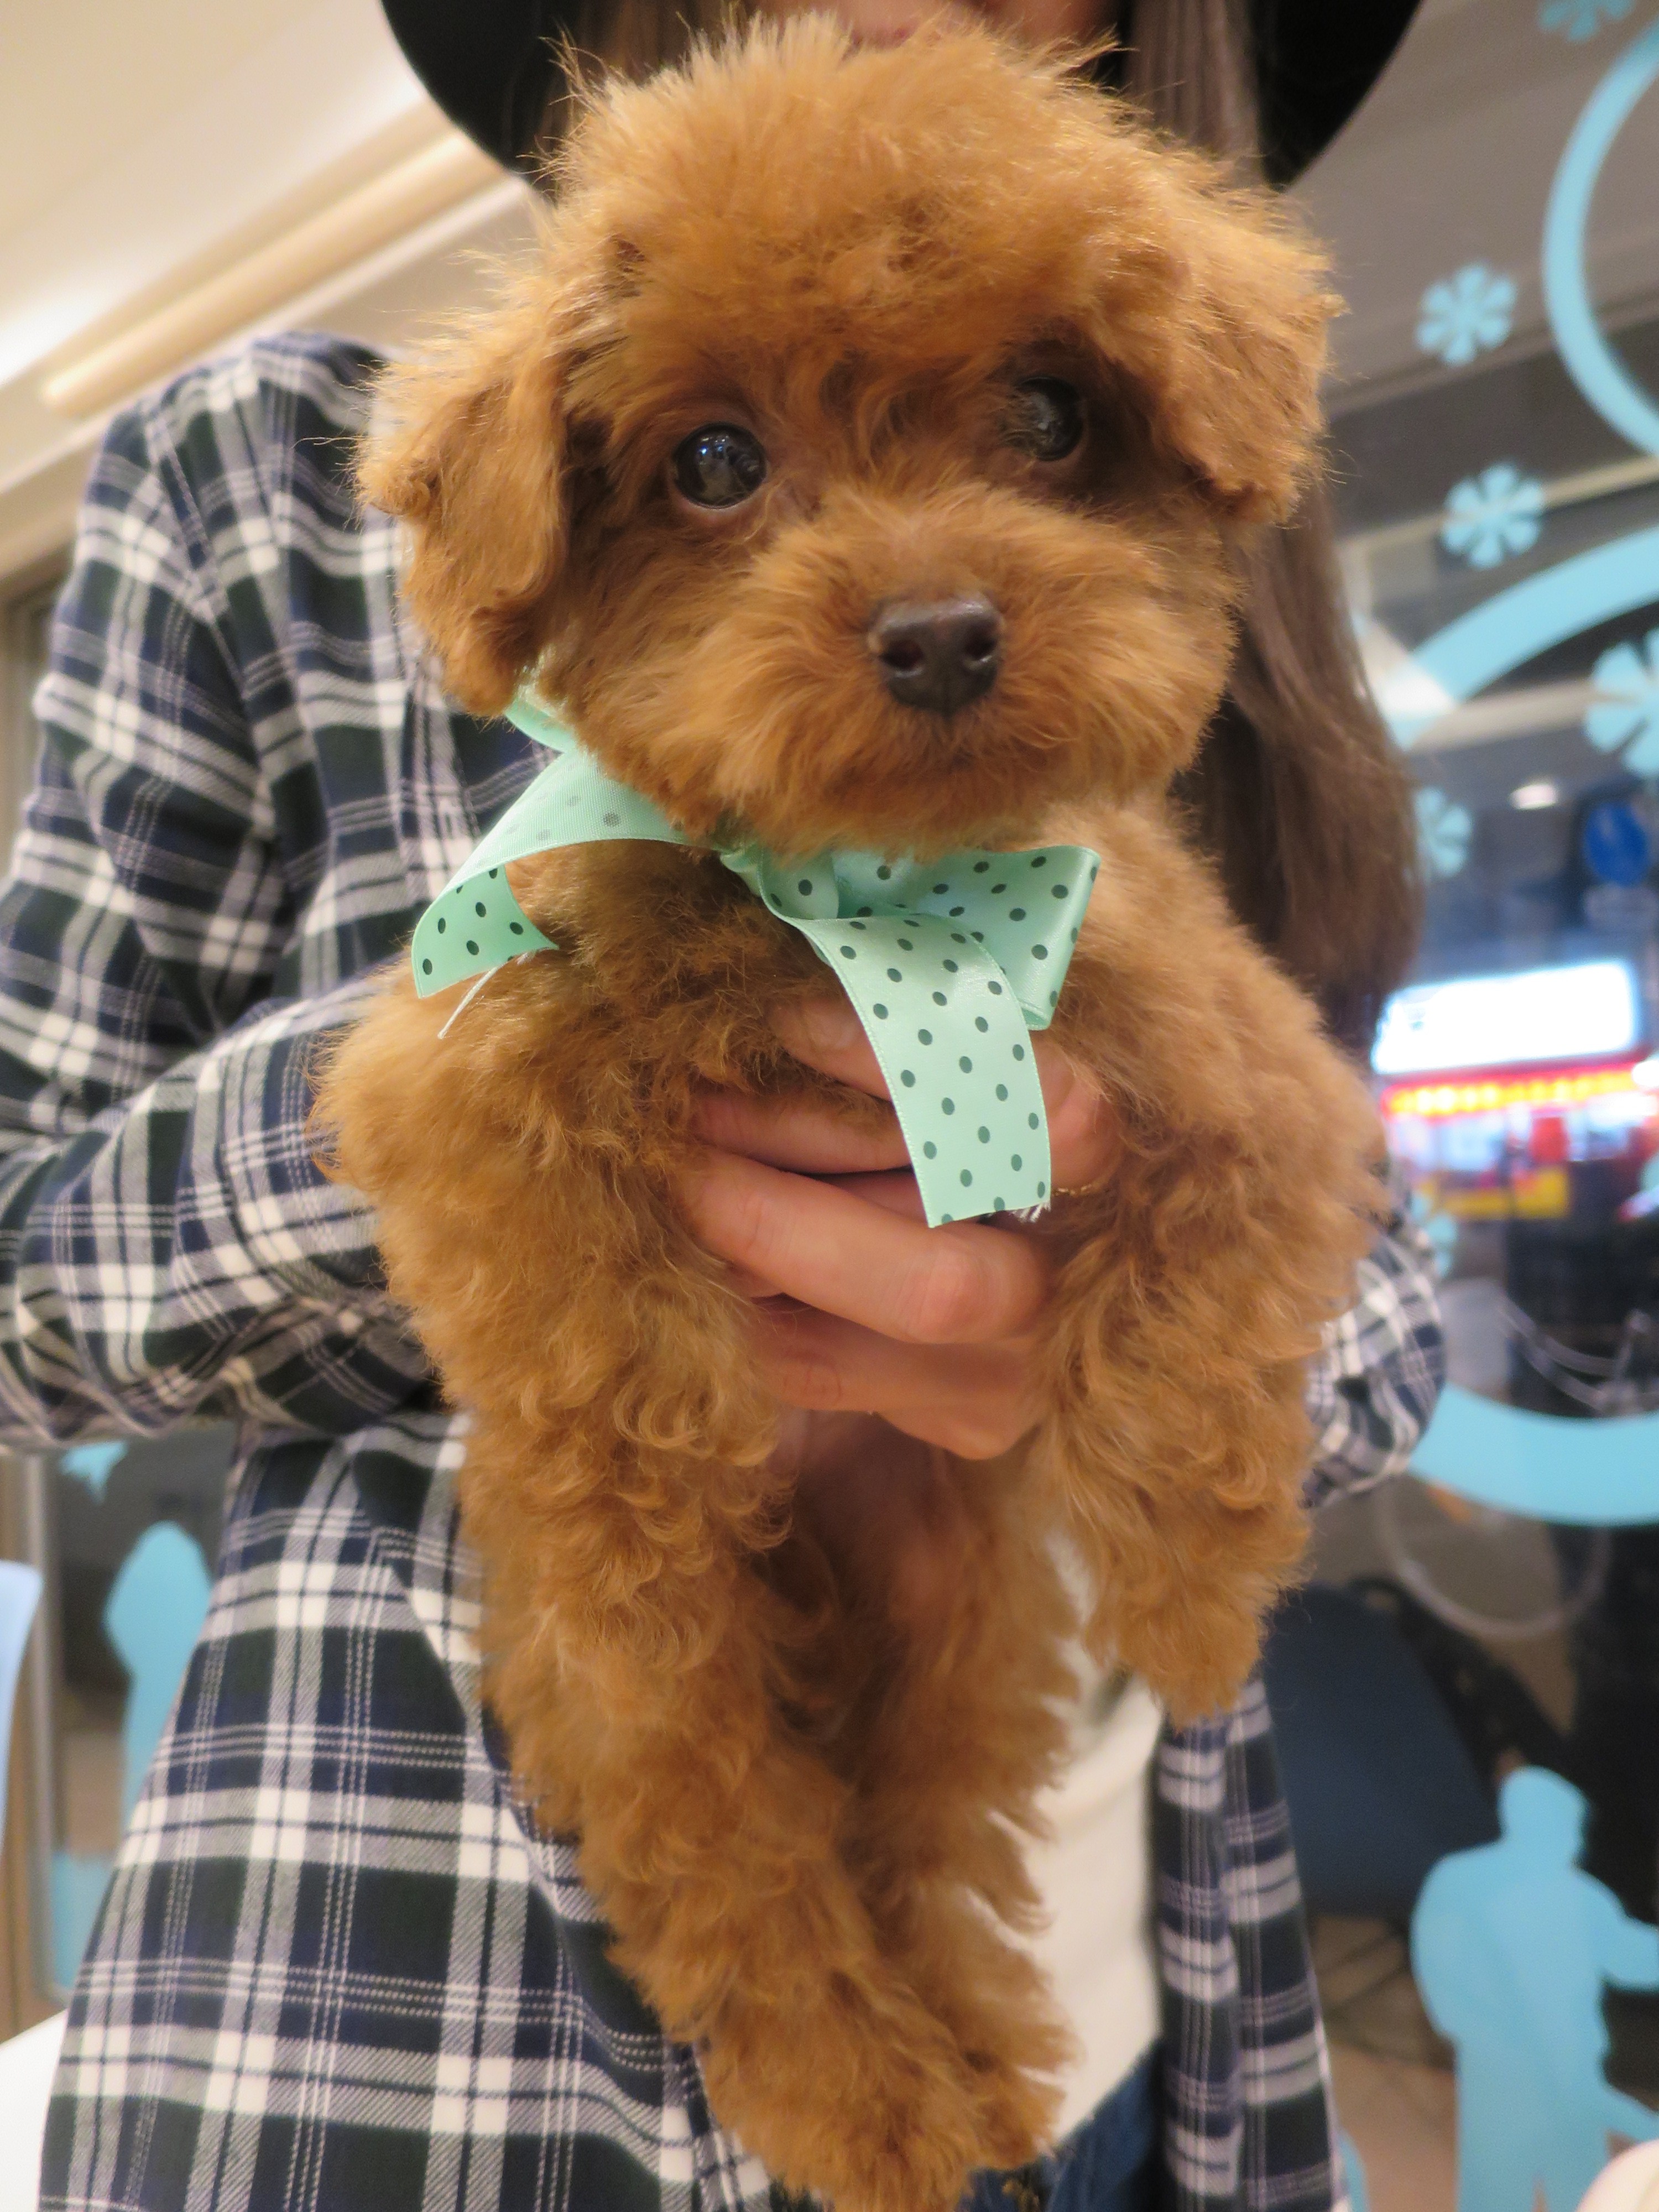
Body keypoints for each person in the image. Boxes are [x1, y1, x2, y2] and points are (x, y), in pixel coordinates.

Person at [23, 2, 1441, 2208]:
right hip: (410, 2049)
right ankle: (785, 1992)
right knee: (644, 1635)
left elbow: (1372, 1261)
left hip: (1142, 2014)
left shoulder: (1131, 820)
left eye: (1041, 420)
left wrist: (1097, 1366)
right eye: (718, 466)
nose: (929, 594)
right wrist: (506, 1092)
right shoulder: (252, 474)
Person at [1413, 1769, 1659, 2212]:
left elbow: (1631, 1955)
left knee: (1582, 2189)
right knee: (1500, 2193)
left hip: (1570, 2069)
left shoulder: (1579, 1896)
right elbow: (1443, 1978)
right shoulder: (1462, 1886)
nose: (1575, 1845)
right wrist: (1496, 2042)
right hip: (1503, 2080)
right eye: (1569, 1830)